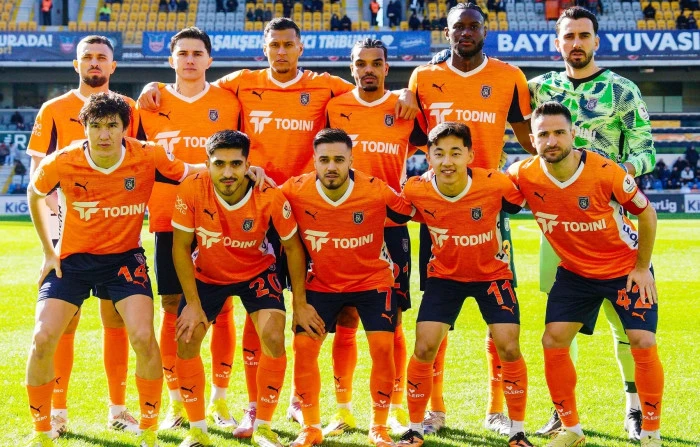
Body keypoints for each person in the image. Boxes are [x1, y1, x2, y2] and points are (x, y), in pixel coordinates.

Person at [138, 20, 417, 434]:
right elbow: (194, 83)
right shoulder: (240, 83)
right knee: (252, 309)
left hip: (311, 211)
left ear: (301, 48)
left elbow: (367, 90)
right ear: (264, 48)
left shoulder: (326, 87)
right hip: (254, 205)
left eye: (289, 45)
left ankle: (367, 406)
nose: (282, 51)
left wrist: (405, 93)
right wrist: (153, 86)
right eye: (275, 45)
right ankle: (243, 404)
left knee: (355, 314)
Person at [25, 92, 203, 447]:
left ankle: (149, 432)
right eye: (95, 126)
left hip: (124, 260)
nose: (104, 134)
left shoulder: (148, 154)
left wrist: (245, 169)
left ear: (125, 128)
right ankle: (42, 432)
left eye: (112, 126)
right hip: (73, 261)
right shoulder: (62, 161)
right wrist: (48, 250)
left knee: (143, 337)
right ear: (84, 127)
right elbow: (34, 192)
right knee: (43, 337)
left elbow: (191, 171)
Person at [528, 7, 656, 439]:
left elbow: (646, 150)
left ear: (596, 41)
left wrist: (614, 177)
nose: (576, 43)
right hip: (560, 228)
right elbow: (493, 93)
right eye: (569, 36)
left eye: (584, 35)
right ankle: (561, 411)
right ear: (557, 43)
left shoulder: (622, 90)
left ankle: (634, 407)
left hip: (613, 221)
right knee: (559, 325)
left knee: (627, 324)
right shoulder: (539, 88)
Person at [410, 2, 535, 435]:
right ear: (446, 33)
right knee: (435, 322)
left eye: (473, 26)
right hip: (439, 210)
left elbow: (530, 141)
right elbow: (411, 136)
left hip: (490, 207)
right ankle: (434, 411)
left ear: (485, 30)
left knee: (499, 322)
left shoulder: (510, 76)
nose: (465, 32)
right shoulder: (423, 78)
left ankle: (497, 411)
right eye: (457, 27)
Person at [507, 101, 664, 447]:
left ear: (573, 133)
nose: (551, 141)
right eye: (543, 134)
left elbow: (647, 213)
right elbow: (490, 198)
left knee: (642, 341)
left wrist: (642, 268)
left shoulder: (607, 172)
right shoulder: (522, 174)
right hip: (576, 273)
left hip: (624, 269)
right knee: (553, 340)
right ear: (532, 139)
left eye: (559, 132)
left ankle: (651, 434)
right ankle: (572, 430)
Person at [26, 35, 141, 439]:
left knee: (116, 319)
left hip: (117, 234)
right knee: (64, 323)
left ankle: (118, 409)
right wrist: (56, 235)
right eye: (87, 57)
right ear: (76, 65)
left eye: (101, 58)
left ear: (113, 66)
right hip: (68, 234)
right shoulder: (54, 109)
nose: (94, 63)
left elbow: (140, 159)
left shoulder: (130, 109)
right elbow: (39, 177)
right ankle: (58, 412)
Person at [134, 27, 243, 433]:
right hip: (168, 219)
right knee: (172, 306)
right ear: (171, 60)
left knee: (224, 306)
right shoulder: (149, 104)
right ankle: (176, 401)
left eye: (198, 53)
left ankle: (219, 399)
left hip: (220, 218)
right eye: (183, 53)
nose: (191, 59)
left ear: (210, 60)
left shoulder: (228, 102)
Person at [398, 121, 532, 447]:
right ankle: (415, 429)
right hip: (445, 278)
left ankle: (517, 431)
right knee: (424, 347)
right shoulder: (415, 189)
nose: (447, 161)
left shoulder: (495, 183)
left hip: (492, 276)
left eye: (456, 153)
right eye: (439, 153)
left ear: (470, 155)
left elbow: (524, 199)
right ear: (428, 156)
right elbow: (391, 211)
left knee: (509, 346)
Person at [171, 130, 307, 447]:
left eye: (236, 164)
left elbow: (293, 248)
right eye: (219, 164)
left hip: (256, 272)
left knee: (273, 336)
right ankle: (197, 431)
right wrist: (192, 303)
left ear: (248, 164)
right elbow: (180, 247)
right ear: (207, 164)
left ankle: (263, 427)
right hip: (208, 274)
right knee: (187, 338)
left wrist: (299, 303)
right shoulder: (191, 188)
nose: (228, 172)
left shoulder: (268, 194)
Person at [281, 128, 415, 447]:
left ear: (351, 160)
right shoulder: (294, 190)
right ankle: (311, 427)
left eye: (339, 160)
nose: (332, 167)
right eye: (324, 159)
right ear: (314, 160)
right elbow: (260, 198)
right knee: (303, 348)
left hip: (372, 282)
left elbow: (413, 210)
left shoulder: (375, 189)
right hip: (322, 283)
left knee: (382, 347)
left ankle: (379, 427)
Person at [323, 38, 427, 438]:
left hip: (390, 226)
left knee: (392, 319)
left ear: (387, 67)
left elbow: (434, 142)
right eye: (361, 63)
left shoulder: (404, 109)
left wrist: (409, 95)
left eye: (376, 63)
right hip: (343, 224)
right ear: (351, 68)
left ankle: (394, 408)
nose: (368, 69)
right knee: (345, 317)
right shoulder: (335, 107)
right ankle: (343, 409)